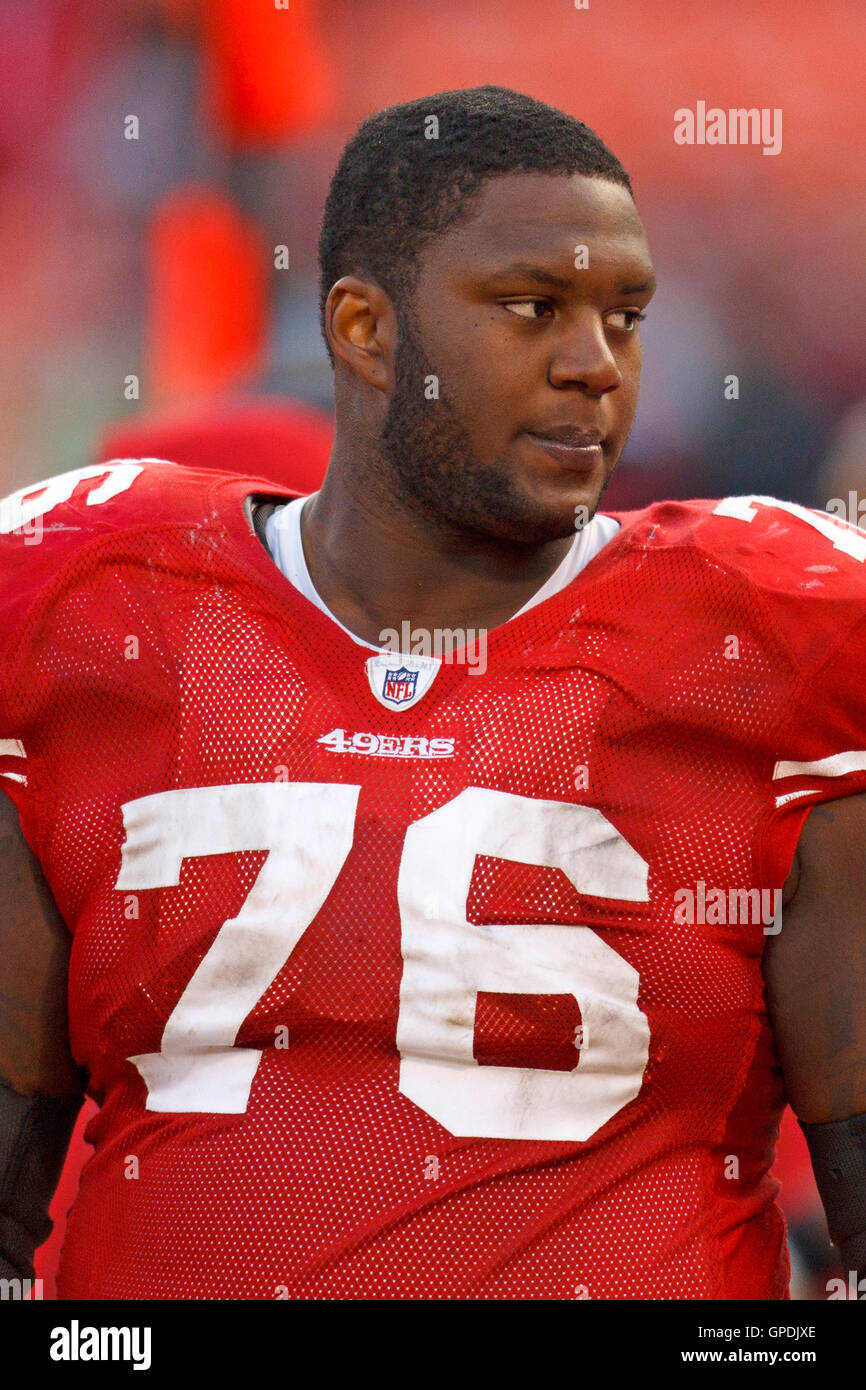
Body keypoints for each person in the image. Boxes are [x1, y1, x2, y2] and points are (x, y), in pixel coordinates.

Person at [1, 86, 864, 1301]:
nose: (593, 365)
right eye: (533, 309)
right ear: (363, 327)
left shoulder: (775, 635)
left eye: (625, 316)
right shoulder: (85, 608)